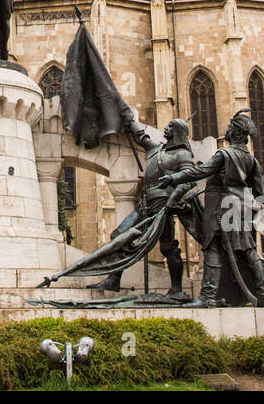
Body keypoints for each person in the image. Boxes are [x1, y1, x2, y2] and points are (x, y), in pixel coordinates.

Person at [85, 111, 200, 299]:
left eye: (170, 126)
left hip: (163, 205)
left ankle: (177, 290)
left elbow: (189, 179)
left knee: (168, 247)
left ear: (178, 132)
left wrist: (173, 198)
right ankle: (114, 279)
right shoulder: (158, 150)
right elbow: (141, 137)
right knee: (119, 234)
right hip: (146, 204)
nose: (166, 128)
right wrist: (127, 118)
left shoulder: (182, 154)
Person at [185, 109, 264, 308]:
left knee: (212, 247)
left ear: (236, 133)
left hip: (221, 209)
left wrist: (174, 177)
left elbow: (201, 171)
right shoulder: (251, 159)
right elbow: (262, 189)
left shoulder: (225, 155)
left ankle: (208, 296)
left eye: (230, 128)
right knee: (249, 250)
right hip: (243, 208)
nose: (227, 130)